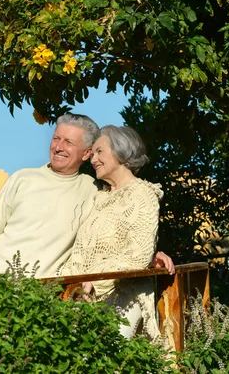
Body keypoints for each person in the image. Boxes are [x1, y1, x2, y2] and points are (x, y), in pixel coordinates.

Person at [0, 114, 174, 281]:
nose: (58, 146)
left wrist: (151, 256)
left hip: (42, 297)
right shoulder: (22, 179)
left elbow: (111, 231)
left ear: (86, 154)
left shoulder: (95, 191)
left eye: (68, 142)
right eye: (56, 138)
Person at [59, 125, 163, 338]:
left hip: (123, 295)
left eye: (99, 151)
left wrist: (96, 281)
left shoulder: (143, 194)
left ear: (121, 152)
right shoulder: (98, 197)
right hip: (81, 296)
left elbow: (138, 253)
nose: (92, 159)